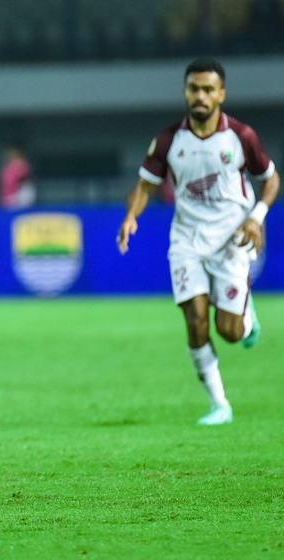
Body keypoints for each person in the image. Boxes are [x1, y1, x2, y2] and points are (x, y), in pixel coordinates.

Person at [117, 57, 279, 425]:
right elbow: (145, 185)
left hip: (231, 240)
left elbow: (271, 180)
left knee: (230, 332)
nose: (201, 96)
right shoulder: (168, 140)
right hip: (187, 240)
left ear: (221, 93)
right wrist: (130, 217)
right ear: (185, 92)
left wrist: (256, 218)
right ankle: (219, 404)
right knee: (194, 320)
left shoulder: (241, 136)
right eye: (194, 88)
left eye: (208, 89)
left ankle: (245, 315)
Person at [0, 145, 36, 209]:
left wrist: (19, 198)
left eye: (13, 153)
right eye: (9, 153)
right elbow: (4, 183)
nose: (10, 155)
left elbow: (27, 183)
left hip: (18, 197)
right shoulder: (6, 167)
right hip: (6, 197)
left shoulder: (22, 164)